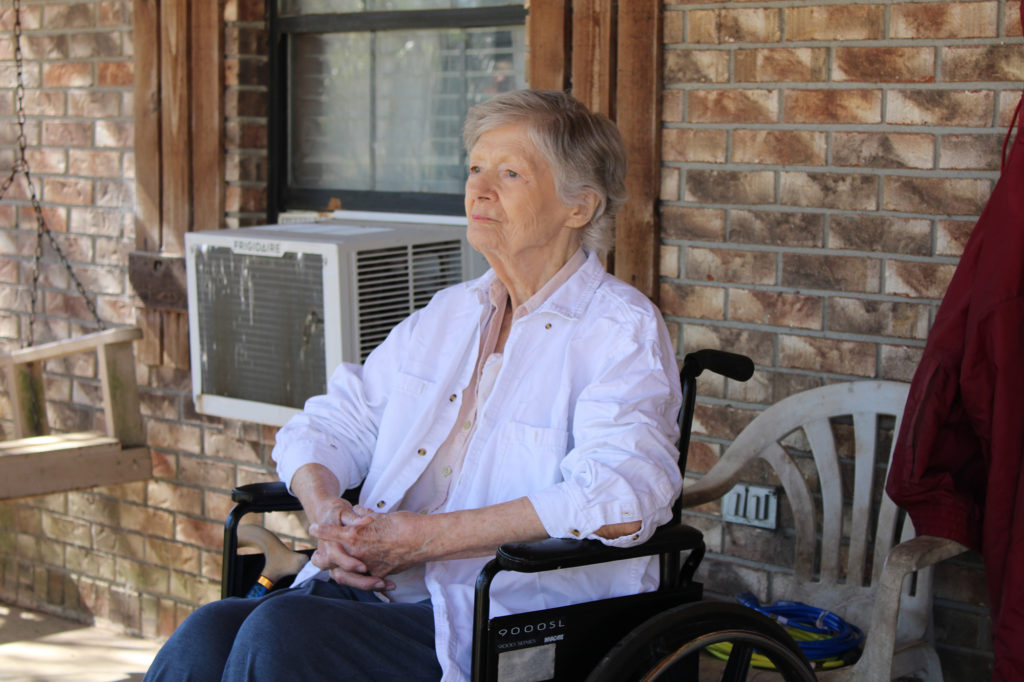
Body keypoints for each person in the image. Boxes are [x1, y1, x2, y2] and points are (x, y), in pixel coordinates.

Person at [144, 89, 683, 682]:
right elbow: (332, 424)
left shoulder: (619, 329)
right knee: (207, 635)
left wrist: (425, 540)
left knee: (282, 634)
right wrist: (329, 518)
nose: (478, 189)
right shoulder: (449, 313)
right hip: (379, 591)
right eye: (475, 168)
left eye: (510, 173)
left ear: (578, 206)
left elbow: (625, 491)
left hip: (502, 618)